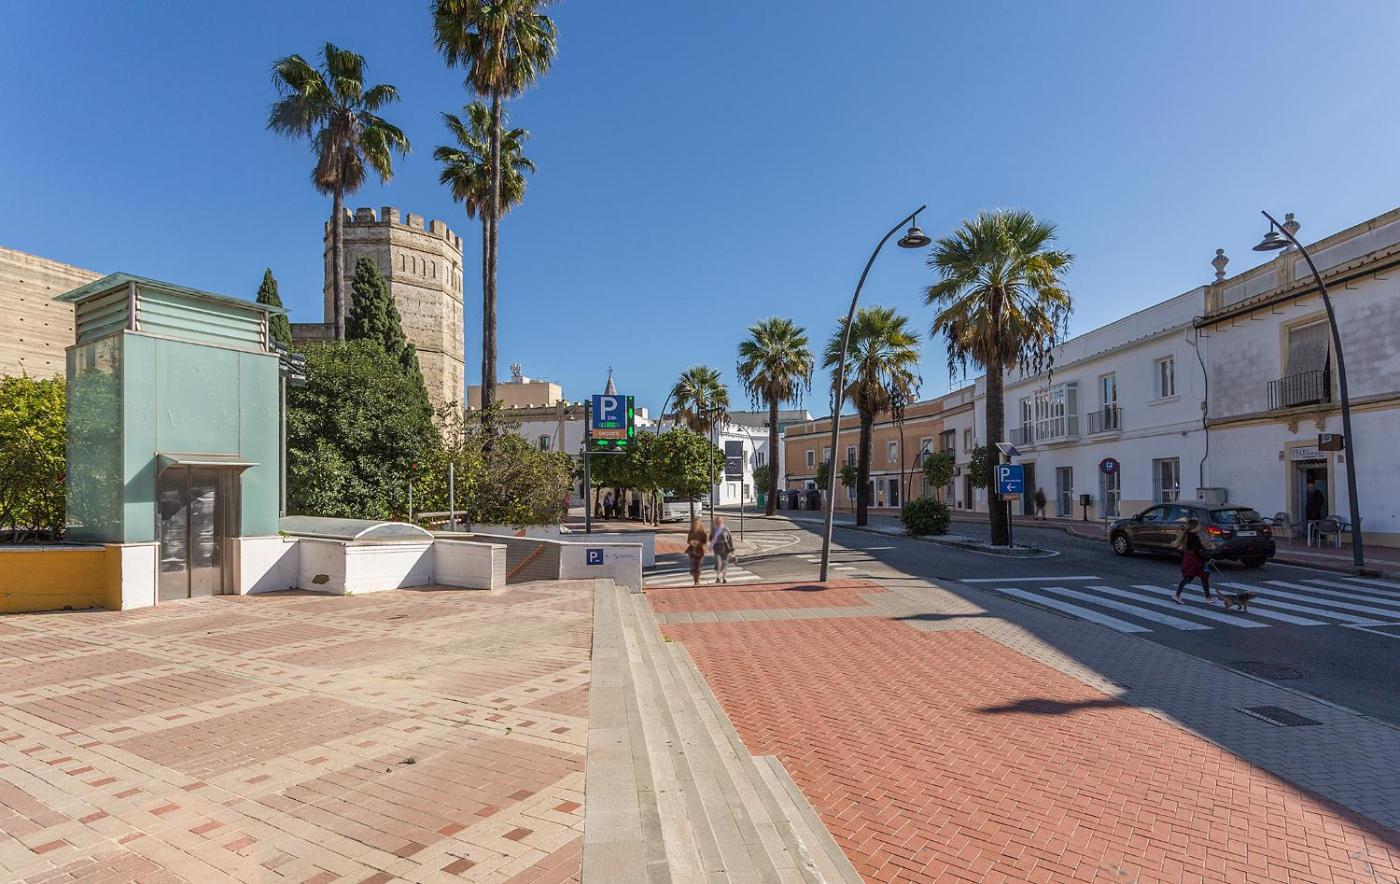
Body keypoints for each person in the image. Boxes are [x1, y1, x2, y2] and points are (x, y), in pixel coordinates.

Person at [1173, 517, 1213, 604]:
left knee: (1197, 577)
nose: (1200, 527)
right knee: (1192, 577)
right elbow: (1198, 550)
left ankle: (1208, 597)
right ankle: (1177, 595)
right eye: (1199, 525)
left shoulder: (1187, 535)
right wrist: (1207, 557)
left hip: (1190, 559)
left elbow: (1183, 550)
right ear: (1195, 526)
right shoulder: (1194, 537)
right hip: (1196, 561)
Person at [711, 517, 735, 584]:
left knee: (724, 563)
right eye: (717, 521)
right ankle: (718, 577)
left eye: (719, 521)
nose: (718, 522)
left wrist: (732, 550)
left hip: (725, 548)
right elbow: (711, 538)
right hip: (717, 548)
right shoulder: (714, 529)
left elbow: (730, 539)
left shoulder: (726, 529)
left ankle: (724, 578)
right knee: (718, 563)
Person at [686, 519, 708, 587]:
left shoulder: (703, 532)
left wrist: (698, 543)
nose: (696, 525)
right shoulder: (691, 531)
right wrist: (691, 542)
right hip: (691, 550)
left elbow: (705, 542)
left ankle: (696, 580)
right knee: (693, 566)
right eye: (695, 523)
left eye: (697, 523)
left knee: (698, 566)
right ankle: (695, 578)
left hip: (700, 550)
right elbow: (688, 541)